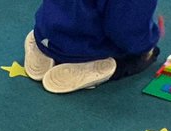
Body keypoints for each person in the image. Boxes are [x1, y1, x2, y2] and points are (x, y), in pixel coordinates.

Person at [23, 0, 161, 94]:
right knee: (146, 53)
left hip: (48, 32)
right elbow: (127, 31)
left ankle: (43, 46)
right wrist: (150, 38)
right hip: (88, 48)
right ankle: (96, 67)